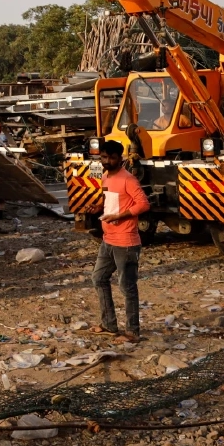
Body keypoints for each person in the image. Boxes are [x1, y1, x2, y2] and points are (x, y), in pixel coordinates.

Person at [91, 139, 150, 344]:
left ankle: (132, 332)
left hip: (126, 242)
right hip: (108, 239)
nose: (107, 161)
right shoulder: (106, 176)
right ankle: (109, 324)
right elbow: (109, 199)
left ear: (120, 158)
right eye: (103, 157)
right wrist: (99, 207)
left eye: (111, 158)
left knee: (127, 287)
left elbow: (143, 204)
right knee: (99, 278)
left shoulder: (128, 179)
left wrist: (119, 216)